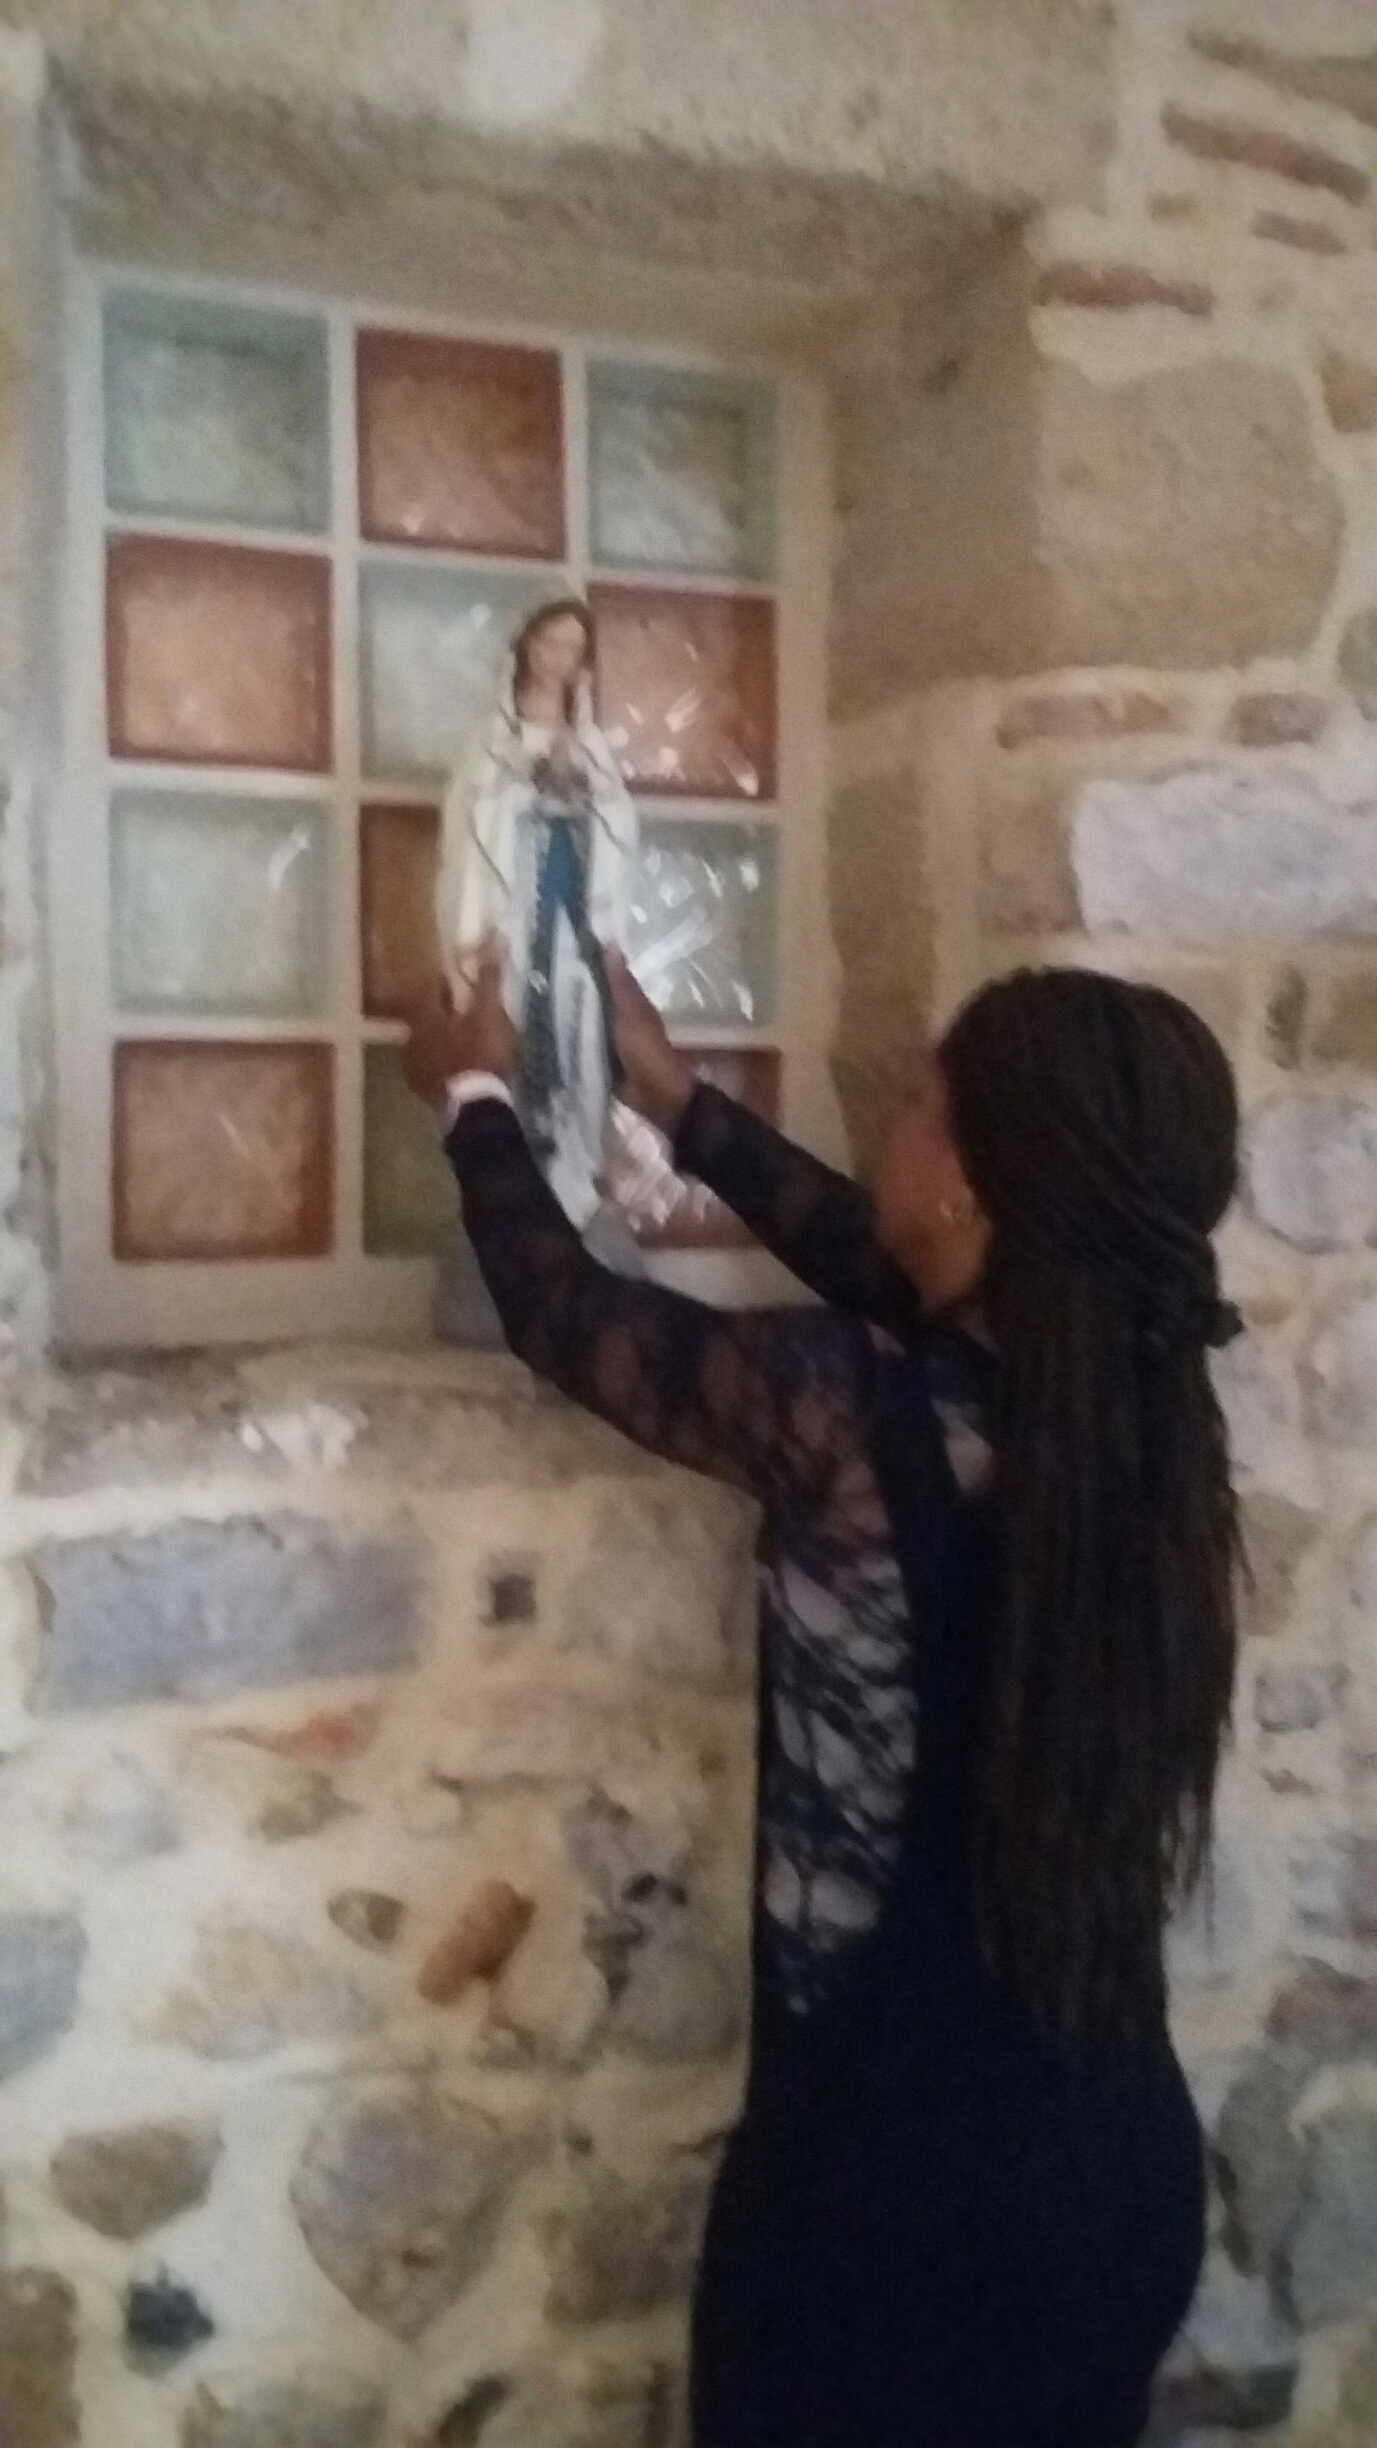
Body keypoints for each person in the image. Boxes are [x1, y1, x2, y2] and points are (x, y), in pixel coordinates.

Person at [404, 948, 1242, 2448]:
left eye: (920, 1103)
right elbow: (884, 1255)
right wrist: (679, 1104)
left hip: (887, 2217)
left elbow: (563, 1310)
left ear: (974, 1184)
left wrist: (472, 1092)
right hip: (1108, 2184)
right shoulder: (1144, 1401)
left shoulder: (852, 1407)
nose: (893, 1130)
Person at [435, 597, 639, 1254]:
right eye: (550, 641)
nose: (558, 658)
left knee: (579, 1031)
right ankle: (514, 1178)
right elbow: (467, 837)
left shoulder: (590, 742)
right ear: (527, 645)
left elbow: (619, 829)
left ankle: (574, 1177)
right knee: (512, 1030)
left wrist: (579, 784)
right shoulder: (491, 741)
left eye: (573, 648)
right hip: (514, 913)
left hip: (570, 905)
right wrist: (528, 786)